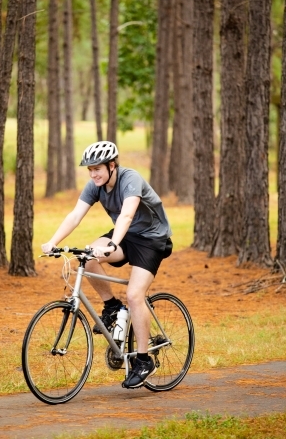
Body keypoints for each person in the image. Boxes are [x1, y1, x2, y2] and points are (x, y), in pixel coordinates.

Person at [41, 141, 173, 389]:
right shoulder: (95, 186)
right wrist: (53, 242)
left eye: (97, 169)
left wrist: (112, 245)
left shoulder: (130, 179)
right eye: (90, 170)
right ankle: (112, 307)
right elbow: (75, 216)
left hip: (152, 240)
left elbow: (126, 215)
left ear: (112, 165)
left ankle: (144, 361)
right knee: (87, 257)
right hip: (125, 236)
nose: (93, 175)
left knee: (135, 295)